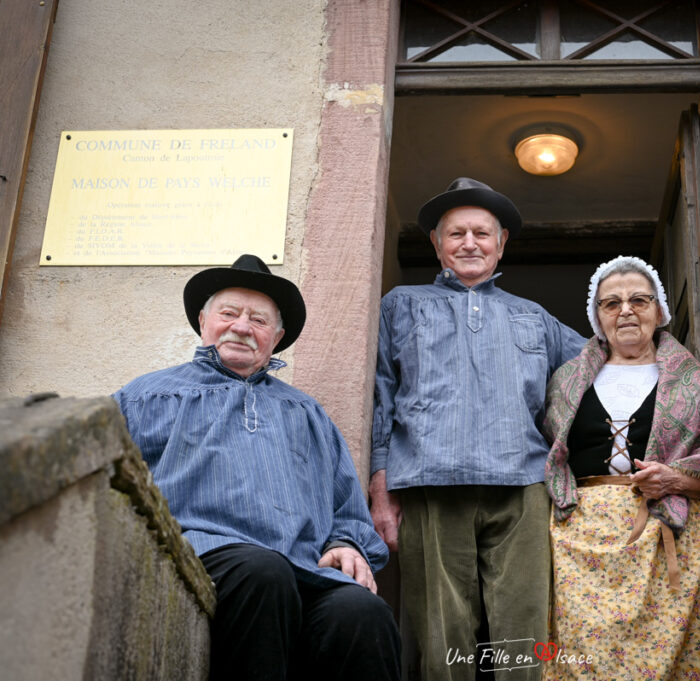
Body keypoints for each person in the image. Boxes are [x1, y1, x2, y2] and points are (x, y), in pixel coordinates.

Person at [114, 254, 400, 681]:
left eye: (259, 320)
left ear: (277, 336)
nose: (242, 327)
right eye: (229, 313)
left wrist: (346, 542)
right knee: (264, 573)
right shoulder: (146, 396)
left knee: (362, 612)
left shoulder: (307, 413)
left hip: (303, 569)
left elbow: (345, 504)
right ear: (203, 320)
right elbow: (110, 487)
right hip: (206, 556)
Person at [370, 177, 587, 680]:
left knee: (523, 634)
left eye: (482, 233)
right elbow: (380, 395)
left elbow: (609, 360)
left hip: (522, 488)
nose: (470, 243)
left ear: (502, 241)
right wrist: (380, 485)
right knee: (441, 635)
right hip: (429, 483)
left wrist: (691, 380)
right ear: (436, 243)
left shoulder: (533, 317)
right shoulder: (402, 304)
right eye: (456, 233)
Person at [542, 256, 700, 680]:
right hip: (581, 540)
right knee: (584, 657)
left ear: (660, 311)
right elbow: (549, 452)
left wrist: (673, 479)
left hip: (668, 535)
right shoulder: (564, 381)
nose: (625, 310)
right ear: (597, 317)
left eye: (638, 300)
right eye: (611, 304)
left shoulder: (696, 382)